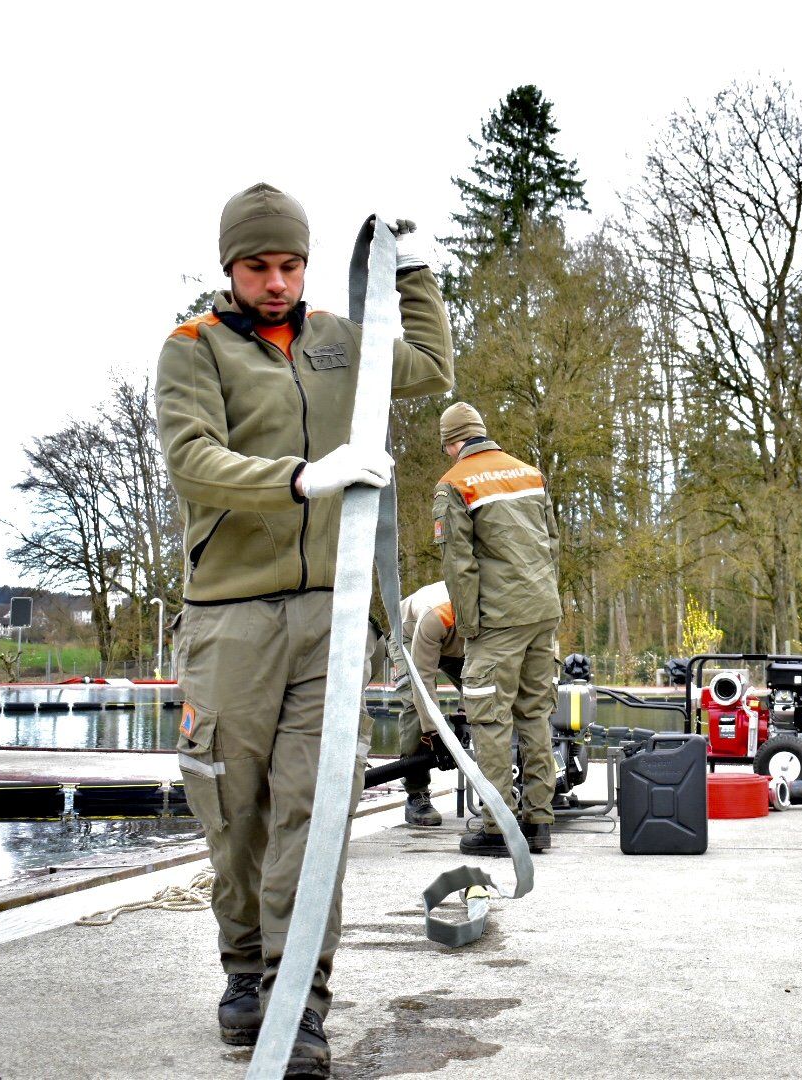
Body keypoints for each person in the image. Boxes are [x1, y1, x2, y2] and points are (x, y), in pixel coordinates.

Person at [156, 183, 452, 1074]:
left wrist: (418, 272)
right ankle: (245, 972)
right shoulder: (192, 351)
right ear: (230, 268)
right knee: (235, 811)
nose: (277, 282)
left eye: (290, 266)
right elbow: (193, 459)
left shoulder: (334, 342)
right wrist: (300, 478)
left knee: (314, 810)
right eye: (259, 267)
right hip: (230, 621)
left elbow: (431, 372)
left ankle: (301, 1000)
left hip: (330, 614)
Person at [434, 402, 563, 857]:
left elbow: (459, 564)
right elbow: (551, 542)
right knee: (534, 713)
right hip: (542, 610)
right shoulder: (530, 474)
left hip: (498, 618)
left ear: (452, 443)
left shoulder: (455, 483)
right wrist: (547, 599)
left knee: (489, 718)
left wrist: (469, 626)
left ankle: (497, 827)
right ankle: (539, 821)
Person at [393, 580, 462, 826]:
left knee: (490, 697)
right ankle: (416, 794)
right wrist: (434, 733)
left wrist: (464, 716)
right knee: (414, 705)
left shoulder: (495, 614)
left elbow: (487, 676)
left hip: (456, 644)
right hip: (409, 634)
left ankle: (500, 786)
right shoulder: (438, 614)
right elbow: (422, 683)